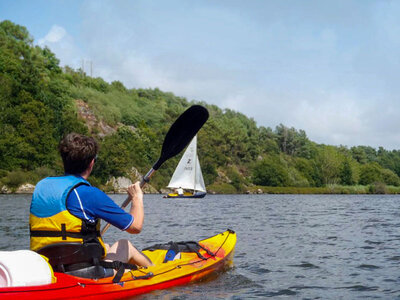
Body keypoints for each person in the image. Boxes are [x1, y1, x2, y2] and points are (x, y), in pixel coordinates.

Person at [29, 133, 152, 280]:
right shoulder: (89, 194)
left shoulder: (42, 188)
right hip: (84, 274)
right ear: (92, 163)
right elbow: (135, 227)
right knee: (125, 245)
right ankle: (157, 273)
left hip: (48, 268)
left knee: (104, 246)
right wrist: (137, 198)